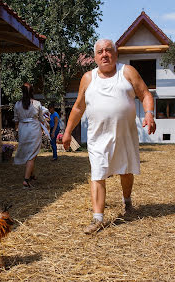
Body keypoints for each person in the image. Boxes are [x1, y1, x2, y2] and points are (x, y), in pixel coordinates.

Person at [62, 39, 156, 234]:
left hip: (125, 136)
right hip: (98, 138)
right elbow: (79, 107)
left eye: (108, 50)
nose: (104, 54)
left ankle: (127, 201)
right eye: (100, 51)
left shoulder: (127, 72)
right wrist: (68, 132)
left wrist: (149, 113)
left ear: (116, 53)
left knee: (126, 171)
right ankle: (98, 219)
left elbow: (145, 94)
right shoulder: (88, 78)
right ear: (95, 57)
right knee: (97, 174)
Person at [14, 83, 45, 188]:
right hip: (34, 129)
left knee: (29, 152)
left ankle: (32, 175)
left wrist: (18, 130)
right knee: (32, 155)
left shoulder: (17, 104)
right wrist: (46, 124)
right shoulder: (37, 104)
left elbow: (16, 119)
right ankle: (26, 180)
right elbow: (41, 118)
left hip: (23, 129)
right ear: (32, 91)